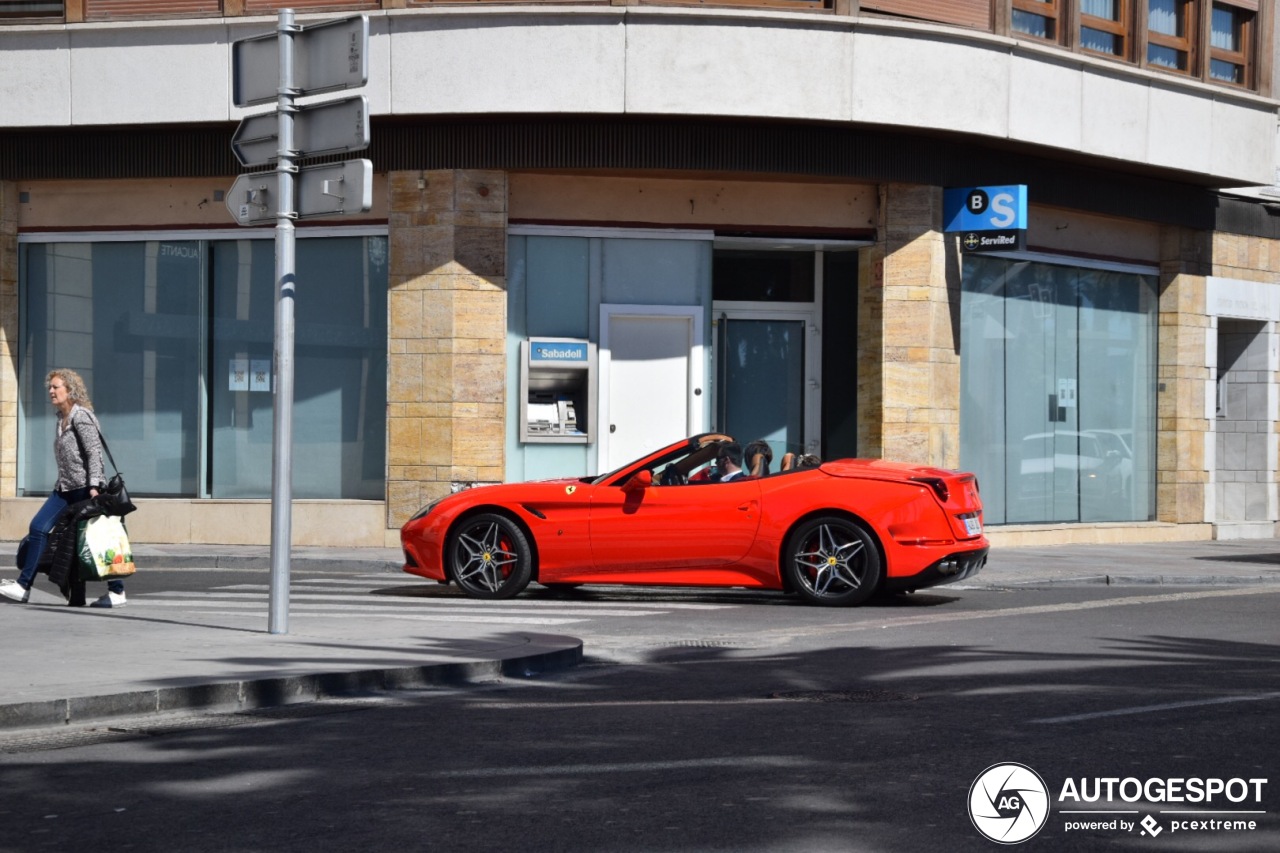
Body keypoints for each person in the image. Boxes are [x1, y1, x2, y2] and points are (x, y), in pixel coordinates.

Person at [0, 369, 126, 608]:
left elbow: (93, 453)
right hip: (64, 489)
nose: (51, 391)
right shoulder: (61, 418)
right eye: (50, 387)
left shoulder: (82, 416)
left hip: (85, 490)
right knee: (39, 528)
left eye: (56, 387)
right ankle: (24, 586)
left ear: (70, 390)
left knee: (96, 539)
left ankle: (117, 591)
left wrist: (94, 487)